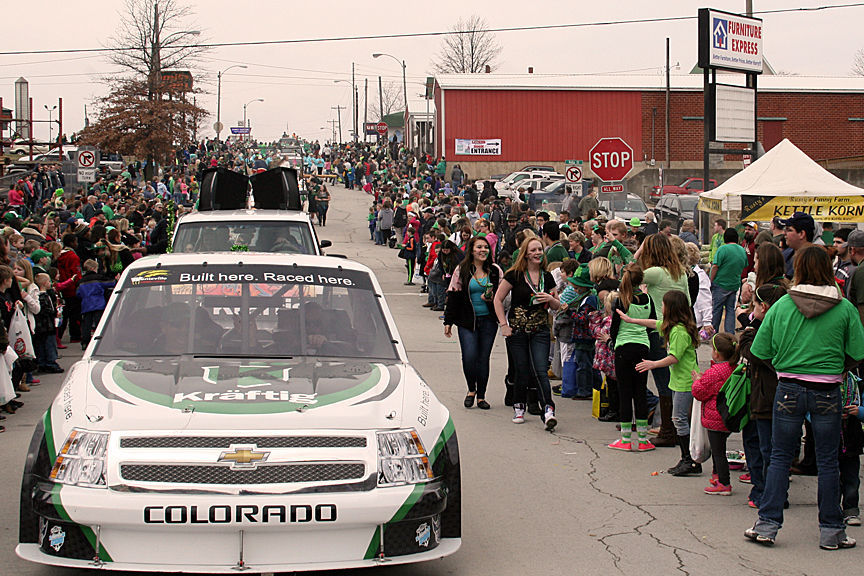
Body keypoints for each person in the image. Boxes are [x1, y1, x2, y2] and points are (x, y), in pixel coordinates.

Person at [745, 246, 864, 550]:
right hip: (827, 389)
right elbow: (857, 353)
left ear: (797, 268)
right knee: (828, 461)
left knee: (780, 458)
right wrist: (836, 368)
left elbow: (759, 350)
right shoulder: (845, 308)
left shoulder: (783, 306)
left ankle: (767, 524)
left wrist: (784, 365)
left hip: (788, 387)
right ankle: (832, 531)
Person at [618, 290, 700, 475]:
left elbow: (674, 357)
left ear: (670, 308)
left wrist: (653, 364)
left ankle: (689, 459)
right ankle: (688, 459)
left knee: (679, 419)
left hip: (685, 382)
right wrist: (631, 320)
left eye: (663, 304)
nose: (660, 307)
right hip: (678, 381)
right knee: (678, 418)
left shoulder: (679, 332)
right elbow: (653, 323)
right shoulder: (673, 327)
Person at [494, 237, 562, 430]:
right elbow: (498, 299)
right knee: (521, 369)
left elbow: (557, 305)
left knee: (540, 370)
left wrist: (550, 298)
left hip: (540, 330)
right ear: (525, 253)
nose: (537, 253)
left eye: (540, 249)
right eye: (533, 250)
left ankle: (548, 410)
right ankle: (519, 406)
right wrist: (503, 325)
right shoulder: (514, 275)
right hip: (517, 331)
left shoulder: (547, 277)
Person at [638, 233, 690, 447]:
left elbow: (629, 275)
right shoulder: (680, 272)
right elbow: (687, 302)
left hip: (657, 329)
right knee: (674, 379)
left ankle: (667, 430)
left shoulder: (655, 273)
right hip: (678, 328)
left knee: (663, 381)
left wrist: (637, 252)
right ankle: (675, 426)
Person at [739, 284, 787, 509]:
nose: (752, 309)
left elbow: (755, 353)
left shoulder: (767, 331)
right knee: (770, 446)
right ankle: (771, 490)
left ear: (765, 307)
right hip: (769, 395)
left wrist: (747, 335)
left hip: (767, 396)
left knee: (766, 447)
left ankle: (766, 492)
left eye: (755, 305)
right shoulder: (781, 325)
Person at [443, 236, 502, 410]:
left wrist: (492, 298)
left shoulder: (495, 270)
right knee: (469, 357)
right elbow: (453, 294)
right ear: (472, 250)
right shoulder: (462, 269)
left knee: (483, 358)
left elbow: (503, 295)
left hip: (488, 321)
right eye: (479, 247)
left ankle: (481, 396)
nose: (483, 250)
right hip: (467, 321)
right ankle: (471, 390)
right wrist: (448, 321)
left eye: (486, 247)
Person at [610, 263, 656, 451]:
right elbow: (651, 322)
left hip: (623, 347)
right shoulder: (647, 299)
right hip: (642, 347)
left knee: (625, 392)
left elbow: (614, 327)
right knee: (640, 392)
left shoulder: (621, 300)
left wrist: (613, 342)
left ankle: (626, 439)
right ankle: (643, 440)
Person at [692, 333, 739, 495]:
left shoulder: (715, 372)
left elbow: (699, 392)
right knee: (719, 448)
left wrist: (697, 380)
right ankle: (717, 476)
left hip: (715, 417)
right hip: (728, 416)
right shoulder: (734, 368)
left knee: (718, 452)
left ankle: (724, 483)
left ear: (717, 353)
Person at [710, 228, 748, 334]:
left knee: (717, 309)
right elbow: (745, 265)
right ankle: (730, 334)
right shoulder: (742, 250)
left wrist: (711, 280)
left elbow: (715, 266)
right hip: (734, 284)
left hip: (720, 283)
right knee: (730, 309)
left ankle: (713, 333)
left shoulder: (722, 249)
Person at [76, 259, 116, 350]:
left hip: (86, 305)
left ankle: (85, 342)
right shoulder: (99, 278)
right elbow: (111, 283)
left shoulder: (81, 281)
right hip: (98, 303)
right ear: (93, 268)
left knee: (86, 325)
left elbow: (78, 294)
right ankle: (101, 342)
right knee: (99, 324)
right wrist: (116, 279)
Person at [779, 212, 814, 279]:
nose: (784, 233)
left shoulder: (815, 259)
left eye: (789, 230)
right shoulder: (785, 254)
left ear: (801, 234)